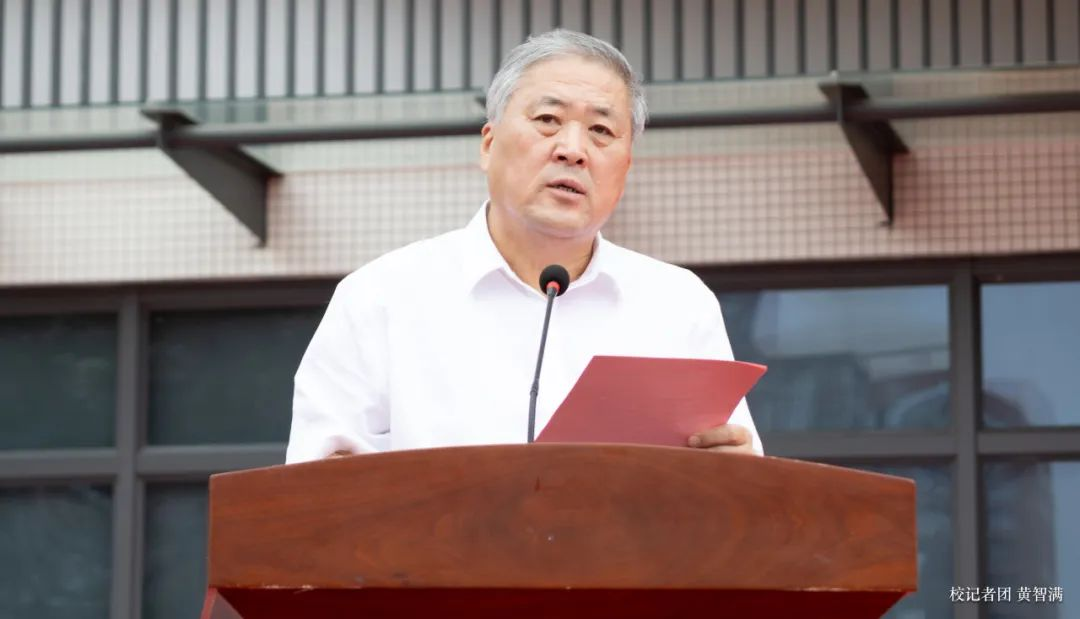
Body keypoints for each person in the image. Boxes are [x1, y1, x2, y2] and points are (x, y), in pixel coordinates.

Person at [285, 29, 762, 463]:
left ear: (626, 166)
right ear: (488, 144)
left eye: (601, 131)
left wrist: (735, 470)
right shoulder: (381, 296)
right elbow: (318, 489)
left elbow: (734, 473)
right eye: (548, 119)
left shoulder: (677, 303)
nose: (573, 149)